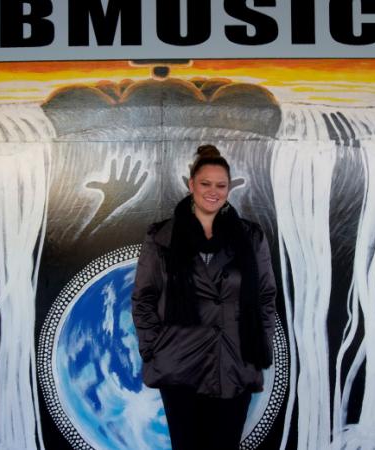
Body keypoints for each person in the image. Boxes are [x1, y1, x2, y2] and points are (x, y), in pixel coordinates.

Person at [131, 144, 277, 450]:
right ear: (191, 185)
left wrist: (257, 347)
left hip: (234, 362)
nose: (213, 191)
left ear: (229, 188)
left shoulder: (250, 237)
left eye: (221, 185)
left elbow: (265, 296)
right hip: (178, 361)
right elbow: (144, 298)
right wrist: (154, 348)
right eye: (205, 184)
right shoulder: (161, 237)